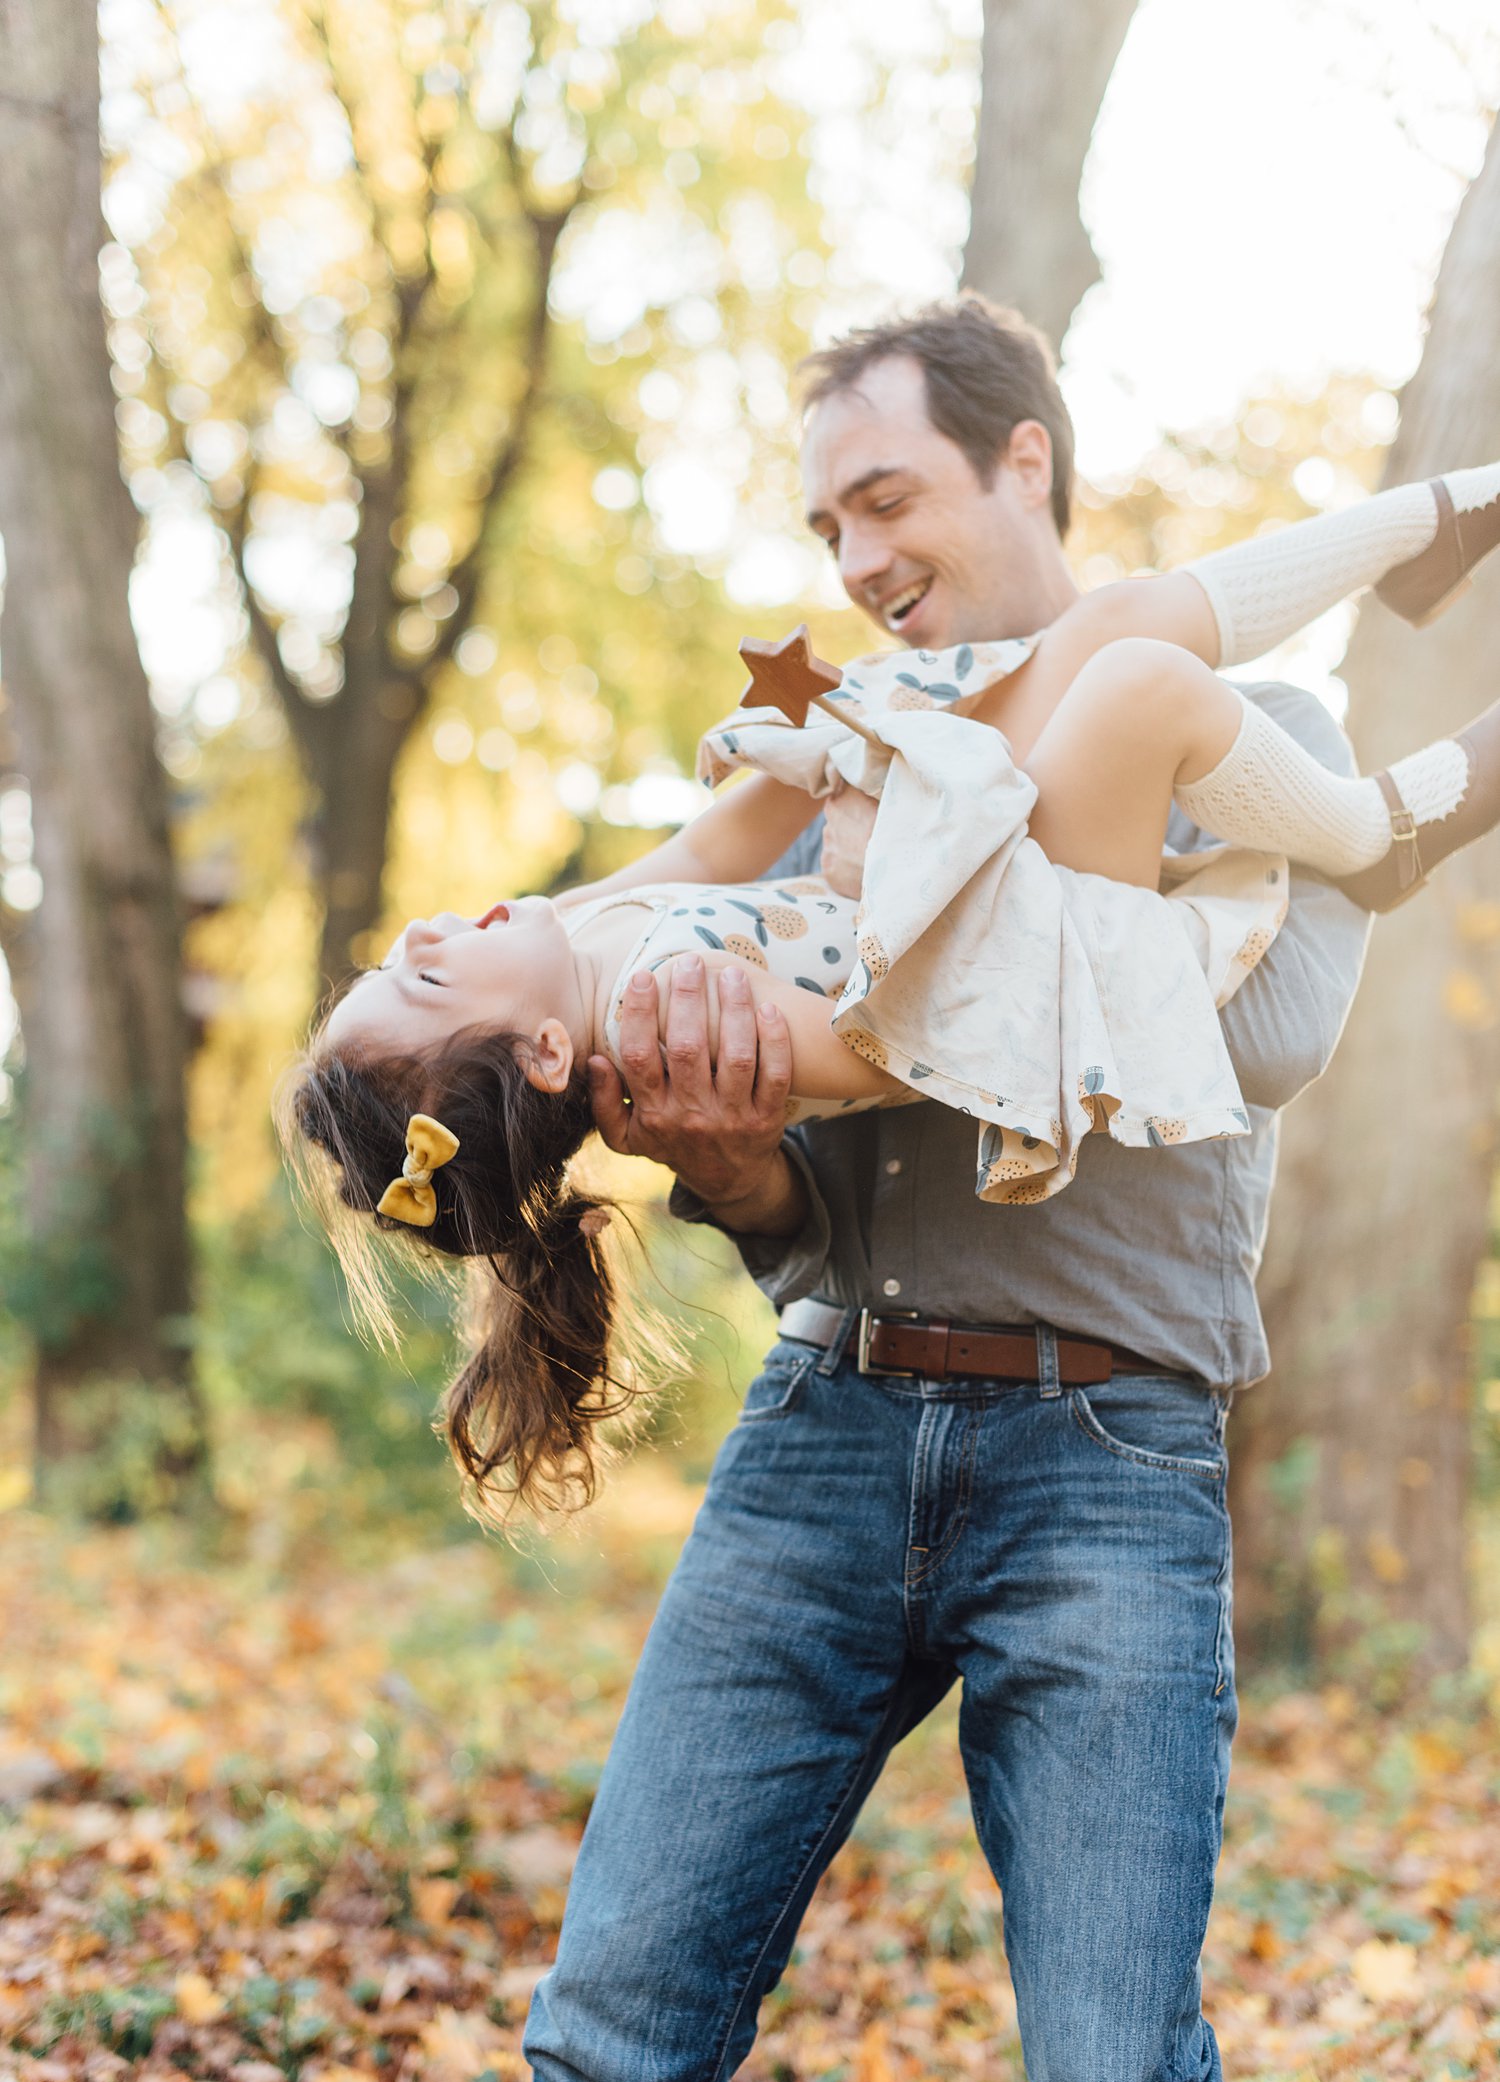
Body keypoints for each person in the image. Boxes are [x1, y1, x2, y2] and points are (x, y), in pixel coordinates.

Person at [511, 300, 1375, 2082]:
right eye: (828, 529)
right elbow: (802, 1211)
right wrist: (728, 1148)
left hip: (1111, 1459)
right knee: (613, 2037)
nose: (859, 559)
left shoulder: (1267, 734)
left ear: (1026, 463)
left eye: (887, 496)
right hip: (829, 1422)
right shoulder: (850, 771)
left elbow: (1264, 1033)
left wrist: (932, 891)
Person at [285, 415, 1500, 1510]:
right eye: (425, 981)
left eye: (393, 962)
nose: (418, 936)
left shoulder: (589, 921)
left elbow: (730, 834)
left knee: (1124, 624)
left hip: (958, 824)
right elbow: (905, 1044)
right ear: (548, 1052)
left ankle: (1433, 524)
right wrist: (882, 889)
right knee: (1134, 683)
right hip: (1016, 957)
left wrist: (833, 733)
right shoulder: (677, 1020)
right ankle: (1376, 835)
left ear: (1022, 463)